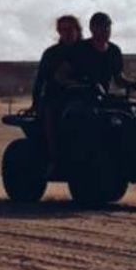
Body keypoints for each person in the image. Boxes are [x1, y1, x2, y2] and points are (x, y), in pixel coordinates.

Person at [32, 14, 82, 172]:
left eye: (70, 29)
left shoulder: (87, 50)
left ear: (78, 30)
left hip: (90, 97)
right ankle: (55, 159)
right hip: (58, 98)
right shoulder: (52, 54)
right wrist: (35, 103)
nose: (66, 33)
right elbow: (40, 80)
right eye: (62, 30)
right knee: (52, 116)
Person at [60, 11, 136, 94]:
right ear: (92, 29)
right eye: (102, 27)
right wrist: (83, 86)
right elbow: (61, 76)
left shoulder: (114, 51)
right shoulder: (79, 49)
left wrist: (133, 84)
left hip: (102, 99)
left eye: (108, 27)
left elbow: (118, 79)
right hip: (79, 99)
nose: (106, 30)